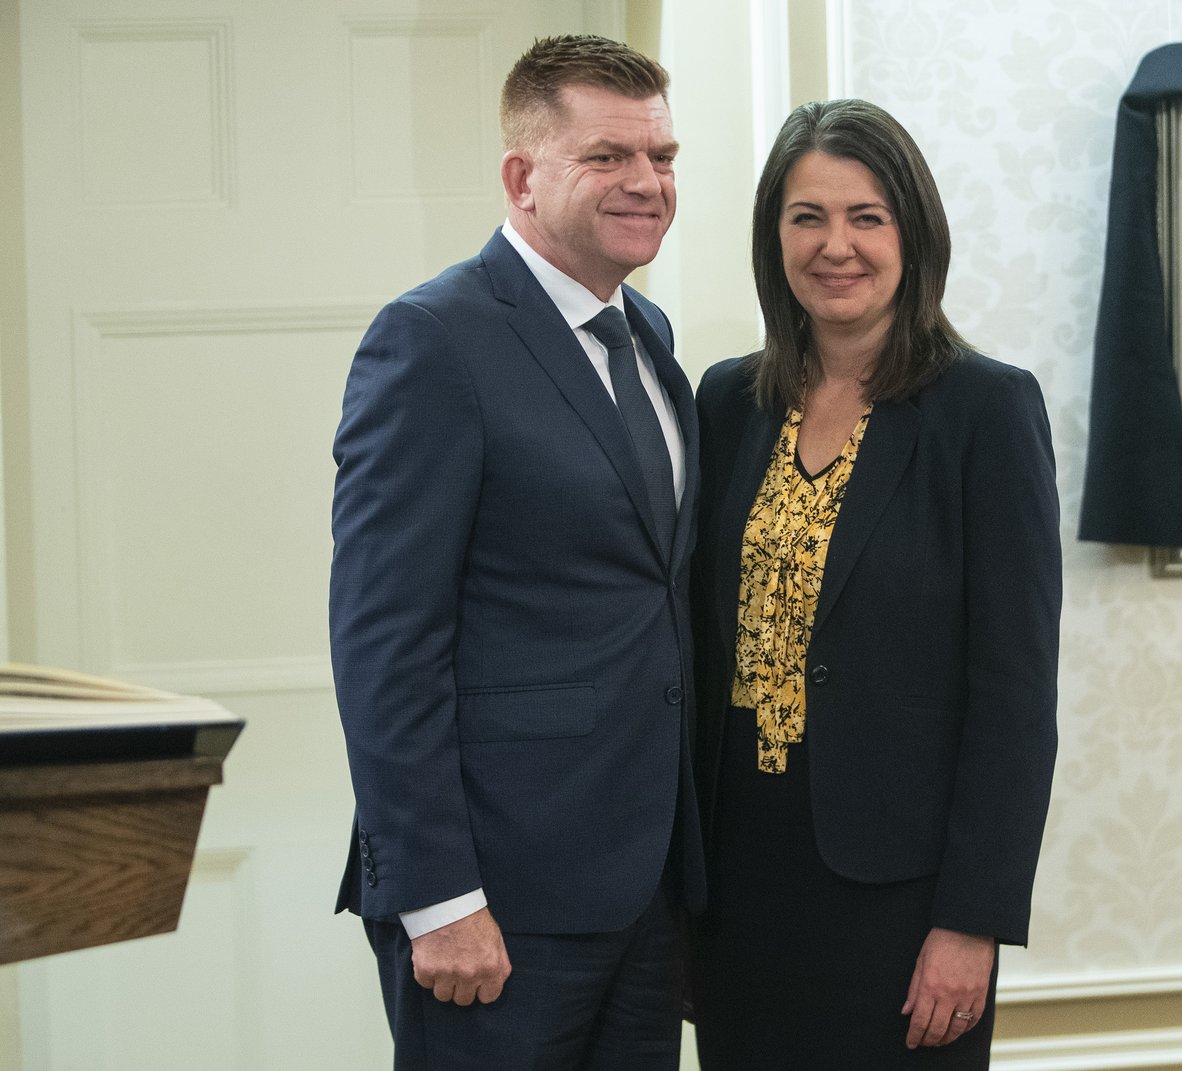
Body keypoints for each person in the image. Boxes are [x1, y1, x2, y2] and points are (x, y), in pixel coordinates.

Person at [329, 34, 705, 1071]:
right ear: (521, 177)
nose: (645, 182)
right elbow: (384, 644)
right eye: (606, 156)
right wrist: (438, 897)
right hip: (494, 901)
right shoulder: (431, 340)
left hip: (643, 893)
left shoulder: (649, 335)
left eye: (662, 156)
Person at [689, 98, 1060, 1070]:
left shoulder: (985, 410)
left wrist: (971, 921)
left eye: (866, 217)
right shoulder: (725, 402)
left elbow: (1015, 693)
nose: (835, 246)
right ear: (773, 237)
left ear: (912, 233)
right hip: (737, 883)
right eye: (806, 217)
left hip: (902, 898)